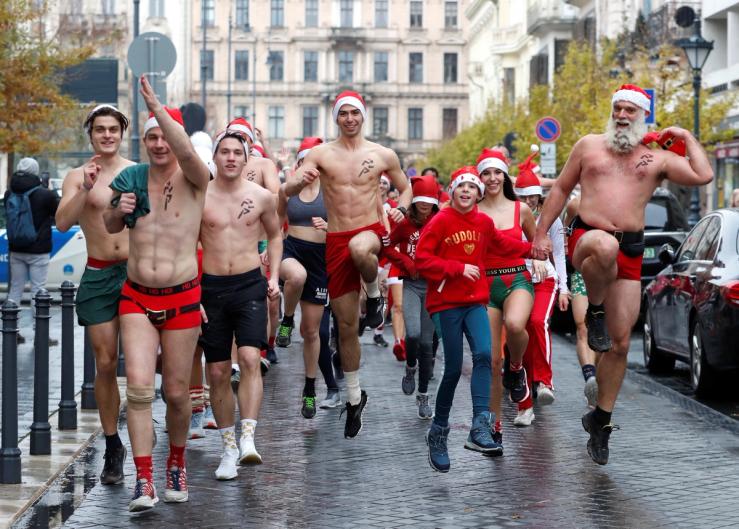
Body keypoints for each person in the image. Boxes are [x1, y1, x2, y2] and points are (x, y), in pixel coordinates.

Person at [532, 83, 713, 465]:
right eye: (619, 108)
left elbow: (703, 174)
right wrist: (540, 235)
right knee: (603, 246)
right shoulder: (588, 146)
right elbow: (562, 188)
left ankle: (600, 419)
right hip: (588, 236)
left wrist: (683, 135)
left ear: (642, 115)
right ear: (611, 111)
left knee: (620, 345)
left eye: (631, 110)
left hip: (630, 246)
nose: (623, 115)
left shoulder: (655, 157)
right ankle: (593, 308)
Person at [104, 76, 210, 511]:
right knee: (140, 391)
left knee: (178, 395)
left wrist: (157, 109)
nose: (159, 144)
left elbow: (185, 149)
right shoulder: (131, 177)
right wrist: (117, 210)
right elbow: (111, 227)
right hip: (136, 297)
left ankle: (176, 463)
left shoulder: (196, 177)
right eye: (151, 137)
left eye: (163, 135)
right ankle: (143, 479)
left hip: (183, 296)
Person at [286, 90, 411, 438]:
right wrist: (298, 181)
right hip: (335, 240)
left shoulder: (382, 154)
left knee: (360, 248)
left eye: (355, 113)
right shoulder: (321, 153)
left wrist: (400, 206)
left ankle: (374, 296)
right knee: (344, 328)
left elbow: (406, 187)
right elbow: (292, 185)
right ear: (336, 118)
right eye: (344, 114)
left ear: (363, 116)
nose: (350, 119)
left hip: (369, 232)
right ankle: (355, 397)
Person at [415, 166, 547, 472]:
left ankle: (480, 426)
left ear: (478, 194)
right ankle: (438, 432)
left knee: (486, 356)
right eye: (461, 186)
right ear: (452, 190)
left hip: (476, 301)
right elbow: (422, 259)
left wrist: (532, 250)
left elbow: (503, 245)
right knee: (451, 369)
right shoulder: (440, 221)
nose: (466, 191)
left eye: (472, 188)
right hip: (446, 302)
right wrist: (457, 269)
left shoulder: (483, 222)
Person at [56, 105, 134, 484]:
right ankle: (112, 443)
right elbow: (62, 221)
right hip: (100, 274)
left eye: (113, 129)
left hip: (137, 275)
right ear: (90, 135)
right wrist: (86, 188)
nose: (106, 135)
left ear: (122, 132)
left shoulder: (137, 171)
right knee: (105, 363)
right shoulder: (78, 176)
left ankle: (147, 449)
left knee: (139, 365)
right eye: (100, 130)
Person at [198, 128, 282, 480]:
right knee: (217, 371)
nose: (231, 157)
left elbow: (276, 234)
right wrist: (190, 291)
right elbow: (187, 244)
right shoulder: (199, 195)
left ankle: (249, 437)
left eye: (237, 152)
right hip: (211, 288)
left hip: (249, 283)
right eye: (225, 152)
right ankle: (228, 447)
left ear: (246, 159)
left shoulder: (261, 196)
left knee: (249, 357)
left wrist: (274, 275)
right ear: (215, 158)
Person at [475, 148, 537, 448]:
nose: (492, 178)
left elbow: (538, 242)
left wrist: (543, 255)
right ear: (479, 177)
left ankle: (518, 367)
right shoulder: (471, 211)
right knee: (491, 359)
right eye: (486, 173)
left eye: (497, 172)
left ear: (505, 175)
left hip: (517, 279)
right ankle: (494, 426)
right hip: (485, 286)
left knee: (515, 325)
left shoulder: (520, 209)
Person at [276, 137, 341, 418]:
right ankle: (287, 319)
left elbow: (346, 227)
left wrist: (330, 227)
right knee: (296, 277)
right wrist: (269, 250)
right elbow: (276, 224)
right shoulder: (289, 189)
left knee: (313, 333)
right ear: (299, 163)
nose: (310, 168)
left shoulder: (332, 190)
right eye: (304, 161)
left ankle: (310, 390)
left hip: (321, 258)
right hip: (292, 251)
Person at [512, 162, 570, 427]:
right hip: (517, 280)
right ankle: (524, 386)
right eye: (523, 195)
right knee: (519, 332)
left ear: (538, 195)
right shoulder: (510, 216)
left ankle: (545, 382)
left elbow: (558, 254)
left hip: (545, 280)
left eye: (532, 195)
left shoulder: (552, 219)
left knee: (537, 322)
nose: (528, 200)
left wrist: (565, 288)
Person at [382, 174, 439, 418]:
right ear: (414, 200)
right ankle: (410, 365)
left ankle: (424, 396)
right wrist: (405, 262)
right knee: (413, 334)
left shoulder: (441, 221)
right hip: (413, 286)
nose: (425, 205)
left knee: (428, 344)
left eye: (429, 200)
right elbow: (386, 245)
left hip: (435, 288)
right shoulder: (405, 223)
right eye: (421, 200)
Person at [227, 117, 281, 367]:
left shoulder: (262, 164)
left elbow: (275, 196)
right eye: (233, 137)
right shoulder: (222, 165)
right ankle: (234, 359)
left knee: (259, 299)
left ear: (250, 140)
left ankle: (261, 351)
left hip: (257, 242)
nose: (238, 143)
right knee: (229, 302)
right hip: (228, 243)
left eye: (243, 138)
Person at [5, 157, 60, 343]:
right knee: (38, 291)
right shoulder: (45, 194)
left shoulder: (9, 193)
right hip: (39, 250)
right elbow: (58, 213)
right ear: (36, 171)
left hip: (16, 249)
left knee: (15, 291)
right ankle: (41, 334)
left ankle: (11, 330)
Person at [563, 194, 599, 407]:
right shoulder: (576, 204)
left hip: (608, 274)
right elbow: (565, 235)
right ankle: (590, 379)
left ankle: (600, 380)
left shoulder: (618, 202)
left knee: (605, 333)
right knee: (582, 326)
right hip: (581, 273)